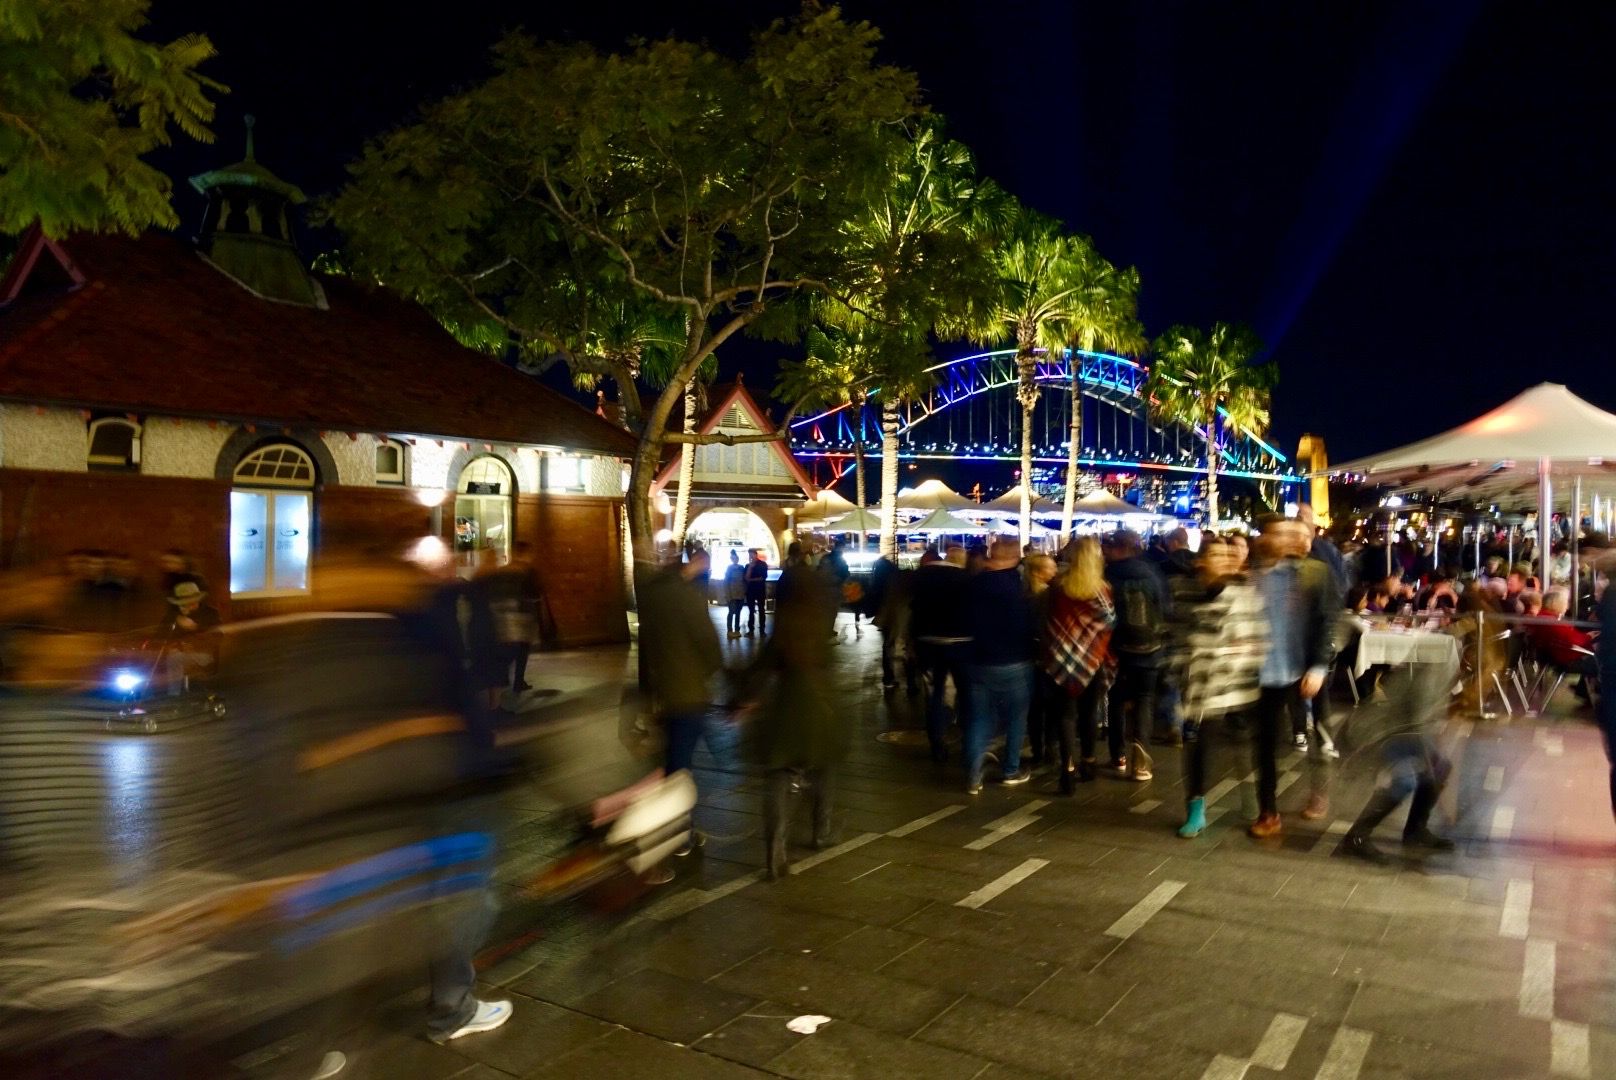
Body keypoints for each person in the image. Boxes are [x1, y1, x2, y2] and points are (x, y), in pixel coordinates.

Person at [746, 553, 850, 879]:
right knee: (824, 769)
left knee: (778, 775)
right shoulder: (821, 622)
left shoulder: (782, 629)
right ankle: (821, 831)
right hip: (819, 711)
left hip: (784, 712)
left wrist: (741, 700)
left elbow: (759, 671)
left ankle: (776, 848)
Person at [1248, 516, 1337, 839]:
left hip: (1304, 670)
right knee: (1265, 745)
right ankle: (1268, 810)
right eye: (1280, 533)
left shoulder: (1315, 573)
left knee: (1319, 736)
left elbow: (1327, 622)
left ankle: (1319, 791)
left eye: (1295, 534)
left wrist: (1318, 666)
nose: (1289, 540)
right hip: (1266, 673)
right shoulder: (1252, 576)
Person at [1175, 536, 1267, 837]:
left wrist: (1231, 654)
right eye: (1216, 554)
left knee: (1244, 742)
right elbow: (1175, 635)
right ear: (1200, 560)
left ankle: (1252, 797)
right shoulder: (1186, 592)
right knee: (1200, 747)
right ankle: (1196, 808)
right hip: (1202, 686)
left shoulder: (1245, 593)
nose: (1226, 559)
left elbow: (1256, 638)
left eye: (1229, 554)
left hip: (1238, 682)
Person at [1339, 651, 1459, 862]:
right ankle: (1356, 837)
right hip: (1378, 734)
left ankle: (1415, 831)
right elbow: (1415, 720)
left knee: (1441, 766)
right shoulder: (1432, 665)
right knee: (1405, 781)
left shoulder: (1446, 663)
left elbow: (1426, 724)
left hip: (1402, 731)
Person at [640, 548, 724, 785]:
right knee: (680, 762)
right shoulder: (687, 596)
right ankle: (676, 814)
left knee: (670, 755)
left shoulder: (653, 592)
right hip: (687, 691)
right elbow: (710, 647)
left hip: (663, 690)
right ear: (697, 561)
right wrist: (706, 671)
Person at [1038, 538, 1115, 794]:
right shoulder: (1102, 590)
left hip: (1061, 659)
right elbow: (1109, 622)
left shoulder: (1058, 586)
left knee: (1065, 716)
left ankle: (1067, 770)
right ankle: (1089, 761)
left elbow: (1049, 620)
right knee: (1089, 713)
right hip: (1092, 661)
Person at [962, 539, 1035, 794]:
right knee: (1016, 718)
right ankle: (1010, 770)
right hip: (1015, 661)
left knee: (979, 720)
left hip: (979, 660)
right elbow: (1025, 625)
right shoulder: (1018, 587)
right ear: (1015, 557)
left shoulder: (973, 584)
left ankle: (973, 776)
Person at [1103, 529, 1170, 781]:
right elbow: (1164, 607)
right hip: (1150, 650)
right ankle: (1141, 762)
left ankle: (1117, 755)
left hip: (1117, 650)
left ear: (1119, 548)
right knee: (1144, 700)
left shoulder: (1109, 575)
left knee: (1117, 700)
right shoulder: (1151, 572)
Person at [910, 545, 973, 762]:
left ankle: (937, 743)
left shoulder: (923, 577)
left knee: (935, 694)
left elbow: (914, 609)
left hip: (928, 643)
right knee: (965, 694)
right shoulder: (965, 579)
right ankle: (968, 741)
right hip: (960, 643)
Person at [743, 549, 770, 636]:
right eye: (749, 555)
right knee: (751, 610)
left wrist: (751, 580)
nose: (751, 557)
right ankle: (751, 629)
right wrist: (750, 568)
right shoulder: (748, 566)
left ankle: (762, 630)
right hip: (751, 591)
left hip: (760, 590)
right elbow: (746, 578)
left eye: (752, 555)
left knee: (761, 610)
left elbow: (763, 577)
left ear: (756, 555)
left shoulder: (762, 564)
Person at [723, 549, 747, 639]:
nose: (735, 560)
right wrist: (728, 595)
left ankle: (737, 629)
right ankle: (730, 630)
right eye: (734, 558)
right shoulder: (729, 568)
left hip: (740, 594)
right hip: (732, 595)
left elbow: (744, 581)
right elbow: (726, 582)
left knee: (738, 613)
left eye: (736, 558)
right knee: (731, 612)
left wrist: (744, 592)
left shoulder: (741, 568)